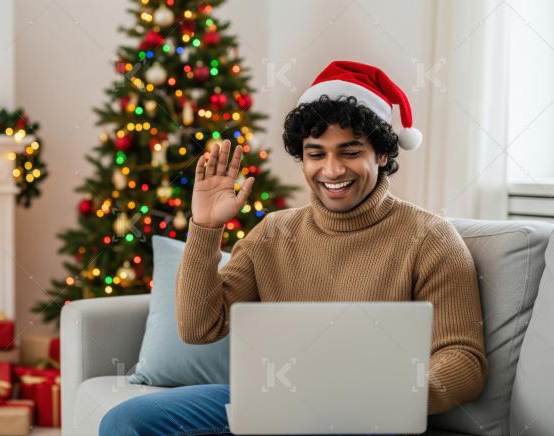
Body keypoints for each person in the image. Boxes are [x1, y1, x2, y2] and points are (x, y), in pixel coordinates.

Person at [99, 60, 487, 436]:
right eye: (316, 154)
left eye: (350, 152)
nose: (332, 170)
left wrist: (387, 392)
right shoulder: (274, 231)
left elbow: (465, 361)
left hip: (367, 413)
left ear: (382, 155)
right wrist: (205, 228)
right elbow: (199, 328)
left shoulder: (429, 238)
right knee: (125, 422)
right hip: (272, 399)